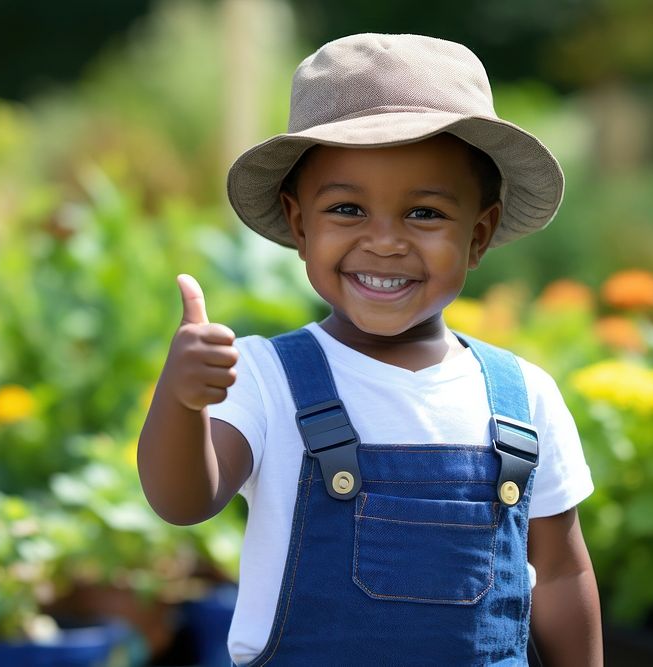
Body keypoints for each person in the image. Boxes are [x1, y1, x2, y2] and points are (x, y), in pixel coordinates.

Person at [138, 33, 602, 666]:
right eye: (348, 209)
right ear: (300, 226)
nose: (384, 242)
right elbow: (184, 500)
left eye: (425, 214)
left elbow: (561, 571)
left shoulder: (524, 398)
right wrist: (183, 401)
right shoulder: (267, 379)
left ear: (479, 234)